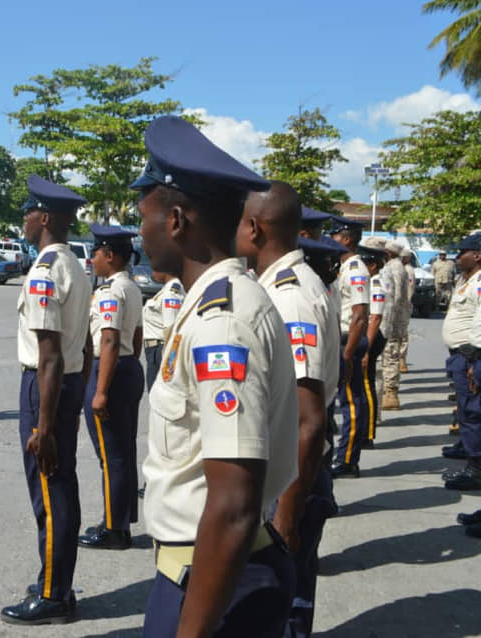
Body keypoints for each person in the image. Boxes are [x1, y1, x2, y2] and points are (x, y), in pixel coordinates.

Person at [135, 115, 297, 637]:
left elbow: (232, 503)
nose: (140, 232)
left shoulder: (222, 321)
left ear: (177, 220)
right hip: (205, 571)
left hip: (214, 582)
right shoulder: (208, 306)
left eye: (144, 217)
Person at [236, 183, 336, 638]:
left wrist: (286, 514)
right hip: (288, 469)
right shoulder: (277, 286)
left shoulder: (290, 296)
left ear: (254, 228)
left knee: (285, 602)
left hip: (293, 476)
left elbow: (308, 417)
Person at [1, 175, 92, 625]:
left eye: (29, 211)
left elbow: (50, 356)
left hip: (46, 386)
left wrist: (47, 425)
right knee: (60, 486)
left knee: (50, 490)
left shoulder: (44, 271)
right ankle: (56, 580)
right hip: (65, 385)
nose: (24, 218)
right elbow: (87, 346)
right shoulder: (74, 265)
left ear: (46, 218)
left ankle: (55, 594)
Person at [78, 224, 145, 550]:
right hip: (128, 368)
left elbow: (109, 339)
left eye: (95, 253)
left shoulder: (110, 292)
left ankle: (114, 529)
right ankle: (121, 517)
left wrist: (101, 390)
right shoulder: (130, 288)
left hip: (110, 371)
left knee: (111, 455)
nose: (91, 259)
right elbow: (137, 336)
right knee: (124, 450)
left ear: (109, 255)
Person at [329, 216, 370, 478]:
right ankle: (345, 455)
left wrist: (347, 354)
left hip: (349, 341)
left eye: (334, 235)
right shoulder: (344, 267)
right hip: (342, 339)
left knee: (352, 403)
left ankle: (347, 459)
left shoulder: (355, 269)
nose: (330, 240)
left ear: (345, 239)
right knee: (346, 400)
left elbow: (360, 315)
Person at [441, 235, 481, 490]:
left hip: (470, 355)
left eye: (462, 252)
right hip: (461, 355)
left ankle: (475, 469)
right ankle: (472, 460)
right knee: (467, 412)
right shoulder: (465, 279)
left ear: (477, 255)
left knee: (473, 413)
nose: (457, 257)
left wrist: (472, 358)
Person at [358, 239, 389, 448]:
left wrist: (366, 349)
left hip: (372, 337)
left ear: (373, 265)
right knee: (361, 385)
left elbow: (375, 319)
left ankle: (368, 433)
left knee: (367, 385)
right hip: (365, 335)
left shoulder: (376, 284)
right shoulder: (368, 282)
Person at [142, 271, 184, 391]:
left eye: (155, 267)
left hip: (161, 351)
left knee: (159, 395)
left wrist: (168, 363)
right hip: (155, 351)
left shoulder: (170, 294)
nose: (152, 271)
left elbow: (171, 332)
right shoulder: (166, 291)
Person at [380, 240, 409, 410]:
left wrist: (389, 322)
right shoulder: (392, 265)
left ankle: (390, 394)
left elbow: (396, 297)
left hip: (392, 320)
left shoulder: (395, 267)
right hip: (392, 319)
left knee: (390, 355)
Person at [400, 248, 416, 372]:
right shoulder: (397, 268)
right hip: (396, 306)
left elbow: (410, 289)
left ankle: (402, 359)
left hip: (403, 306)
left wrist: (405, 304)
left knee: (403, 334)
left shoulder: (408, 270)